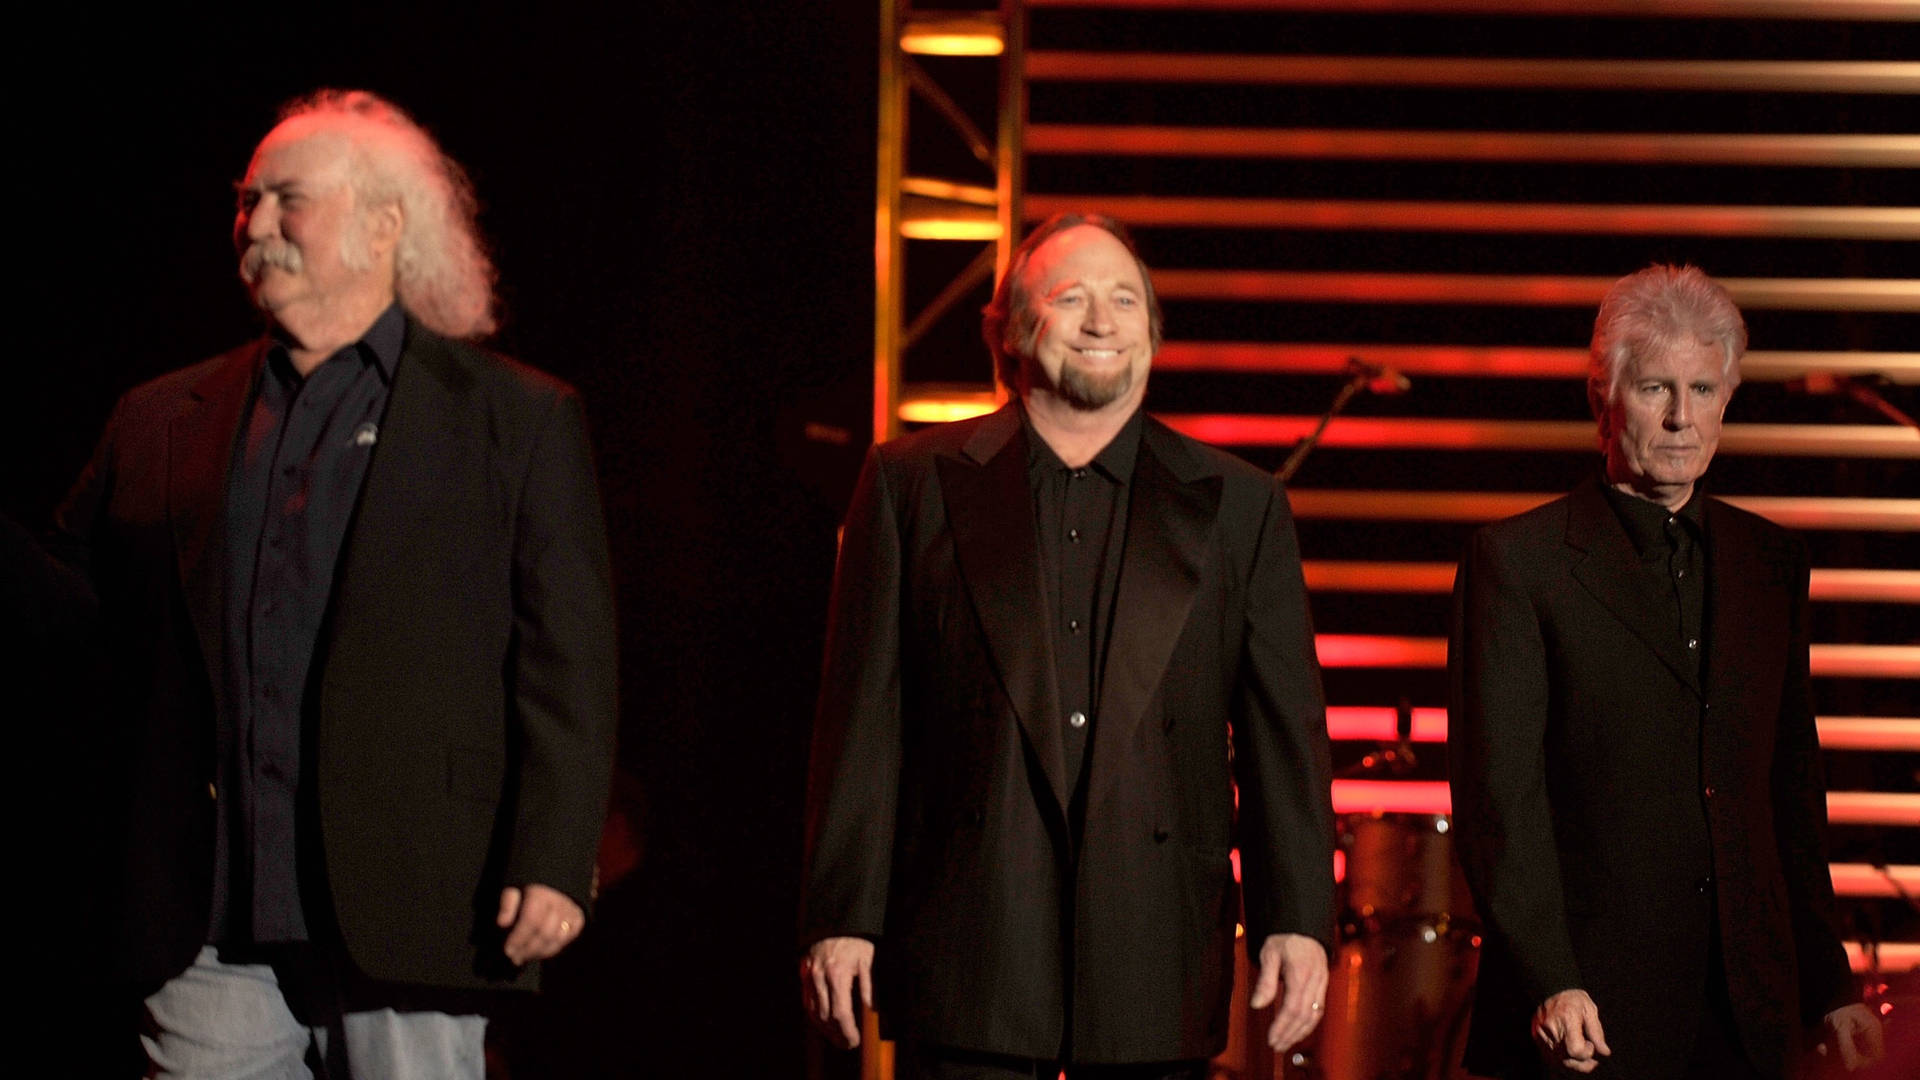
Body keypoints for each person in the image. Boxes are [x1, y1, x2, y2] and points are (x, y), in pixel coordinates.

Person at [37, 89, 617, 1077]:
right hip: (207, 922)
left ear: (387, 224)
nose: (255, 224)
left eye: (286, 199)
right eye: (245, 200)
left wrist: (556, 857)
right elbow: (63, 617)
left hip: (422, 912)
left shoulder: (512, 419)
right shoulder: (158, 418)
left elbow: (567, 661)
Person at [799, 213, 1334, 1078]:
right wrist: (841, 914)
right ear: (1010, 330)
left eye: (1126, 300)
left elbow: (1285, 741)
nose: (1101, 321)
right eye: (1071, 298)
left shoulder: (1240, 505)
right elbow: (863, 721)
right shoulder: (910, 486)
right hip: (971, 944)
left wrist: (1298, 920)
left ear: (1153, 332)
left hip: (1153, 947)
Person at [1447, 265, 1884, 1079]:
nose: (1683, 417)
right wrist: (1550, 978)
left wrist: (1830, 983)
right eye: (1655, 388)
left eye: (1704, 389)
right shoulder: (1518, 563)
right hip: (1587, 1017)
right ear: (1601, 400)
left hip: (1750, 1014)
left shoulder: (1772, 562)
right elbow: (1498, 802)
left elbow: (1790, 787)